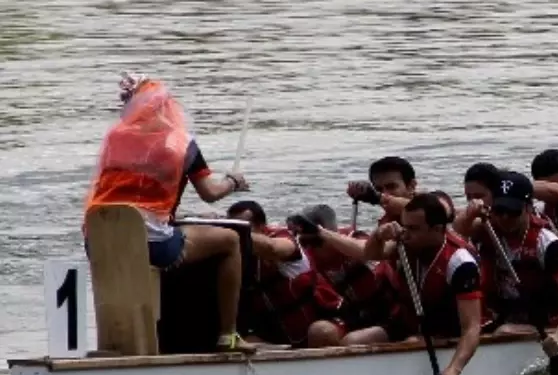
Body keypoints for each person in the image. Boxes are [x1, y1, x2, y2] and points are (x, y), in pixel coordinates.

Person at [84, 74, 253, 352]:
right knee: (230, 241)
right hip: (151, 244)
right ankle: (229, 335)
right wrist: (233, 182)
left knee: (164, 233)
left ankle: (119, 339)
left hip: (100, 240)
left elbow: (125, 191)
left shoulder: (114, 138)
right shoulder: (181, 143)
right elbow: (210, 193)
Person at [364, 193, 484, 375]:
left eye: (413, 229)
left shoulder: (460, 263)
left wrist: (453, 371)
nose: (405, 234)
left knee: (411, 343)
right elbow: (370, 255)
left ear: (437, 229)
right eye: (404, 227)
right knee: (353, 341)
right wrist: (378, 235)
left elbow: (472, 327)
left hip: (449, 330)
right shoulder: (407, 244)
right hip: (413, 323)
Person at [480, 171, 558, 356]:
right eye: (499, 211)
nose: (505, 218)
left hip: (545, 323)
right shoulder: (486, 229)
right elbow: (459, 228)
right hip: (507, 314)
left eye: (513, 212)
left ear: (529, 208)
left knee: (503, 331)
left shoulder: (546, 243)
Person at [227, 201, 345, 348]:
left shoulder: (285, 241)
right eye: (231, 228)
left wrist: (231, 234)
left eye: (242, 228)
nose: (233, 234)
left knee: (321, 331)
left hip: (322, 322)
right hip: (278, 334)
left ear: (262, 228)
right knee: (236, 342)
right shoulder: (232, 257)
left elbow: (273, 248)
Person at [294, 204, 402, 342]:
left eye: (316, 242)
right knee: (320, 331)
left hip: (387, 311)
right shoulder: (306, 257)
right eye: (305, 243)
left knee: (351, 341)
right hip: (352, 315)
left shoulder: (355, 240)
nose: (310, 248)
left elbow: (367, 252)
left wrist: (322, 233)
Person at [347, 156, 418, 223]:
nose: (384, 193)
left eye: (391, 187)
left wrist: (376, 197)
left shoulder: (427, 211)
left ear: (411, 186)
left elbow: (417, 210)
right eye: (378, 189)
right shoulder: (386, 222)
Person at [454, 162, 502, 238]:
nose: (473, 202)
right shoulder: (472, 217)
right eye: (469, 197)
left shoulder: (503, 218)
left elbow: (458, 230)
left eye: (478, 196)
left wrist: (468, 216)